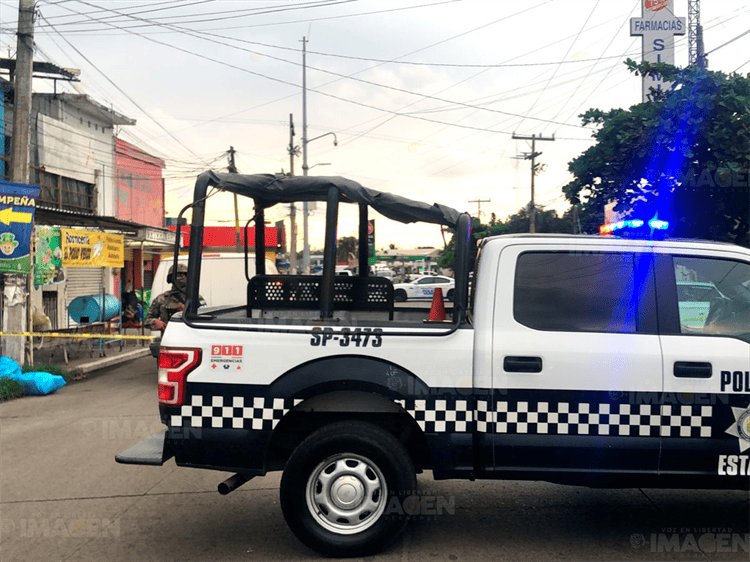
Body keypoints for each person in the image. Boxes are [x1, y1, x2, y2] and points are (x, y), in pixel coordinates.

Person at [145, 263, 191, 332]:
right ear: (171, 278)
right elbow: (146, 320)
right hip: (168, 339)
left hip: (190, 338)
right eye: (179, 275)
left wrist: (187, 312)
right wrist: (154, 322)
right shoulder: (162, 299)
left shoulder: (195, 298)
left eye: (184, 274)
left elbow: (205, 319)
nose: (182, 277)